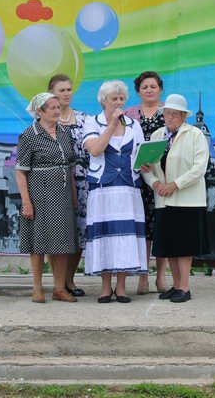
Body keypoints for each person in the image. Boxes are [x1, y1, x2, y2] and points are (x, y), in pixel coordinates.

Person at [83, 80, 148, 303]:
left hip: (128, 189)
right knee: (105, 235)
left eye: (121, 99)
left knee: (125, 236)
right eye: (114, 99)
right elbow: (95, 149)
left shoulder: (134, 125)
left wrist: (146, 163)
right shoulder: (92, 122)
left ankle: (121, 287)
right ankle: (104, 286)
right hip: (102, 189)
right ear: (104, 101)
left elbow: (139, 157)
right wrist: (111, 125)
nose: (119, 102)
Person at [141, 94, 210, 303]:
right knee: (169, 244)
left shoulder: (195, 135)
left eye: (174, 114)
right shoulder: (157, 135)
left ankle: (185, 287)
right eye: (166, 113)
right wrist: (155, 183)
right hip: (164, 198)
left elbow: (199, 168)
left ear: (183, 116)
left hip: (187, 199)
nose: (169, 117)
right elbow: (146, 165)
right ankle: (175, 285)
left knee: (184, 246)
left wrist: (176, 184)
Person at [15, 93, 79, 303]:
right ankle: (37, 288)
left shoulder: (63, 132)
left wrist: (73, 195)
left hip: (62, 195)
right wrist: (26, 202)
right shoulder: (29, 135)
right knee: (38, 242)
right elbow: (21, 171)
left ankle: (59, 289)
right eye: (50, 107)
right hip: (39, 194)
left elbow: (69, 167)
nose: (56, 110)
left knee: (62, 241)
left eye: (57, 107)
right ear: (39, 112)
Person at [124, 71, 168, 295]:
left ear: (160, 89)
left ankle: (161, 277)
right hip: (138, 179)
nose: (149, 90)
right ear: (138, 91)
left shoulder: (169, 112)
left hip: (163, 178)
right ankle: (142, 277)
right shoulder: (129, 114)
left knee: (161, 228)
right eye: (144, 87)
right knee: (143, 229)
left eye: (153, 86)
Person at [48, 74, 89, 298]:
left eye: (69, 90)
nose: (66, 94)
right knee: (57, 232)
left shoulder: (84, 119)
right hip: (54, 183)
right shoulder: (45, 121)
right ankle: (57, 282)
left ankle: (70, 279)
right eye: (61, 90)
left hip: (82, 182)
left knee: (79, 232)